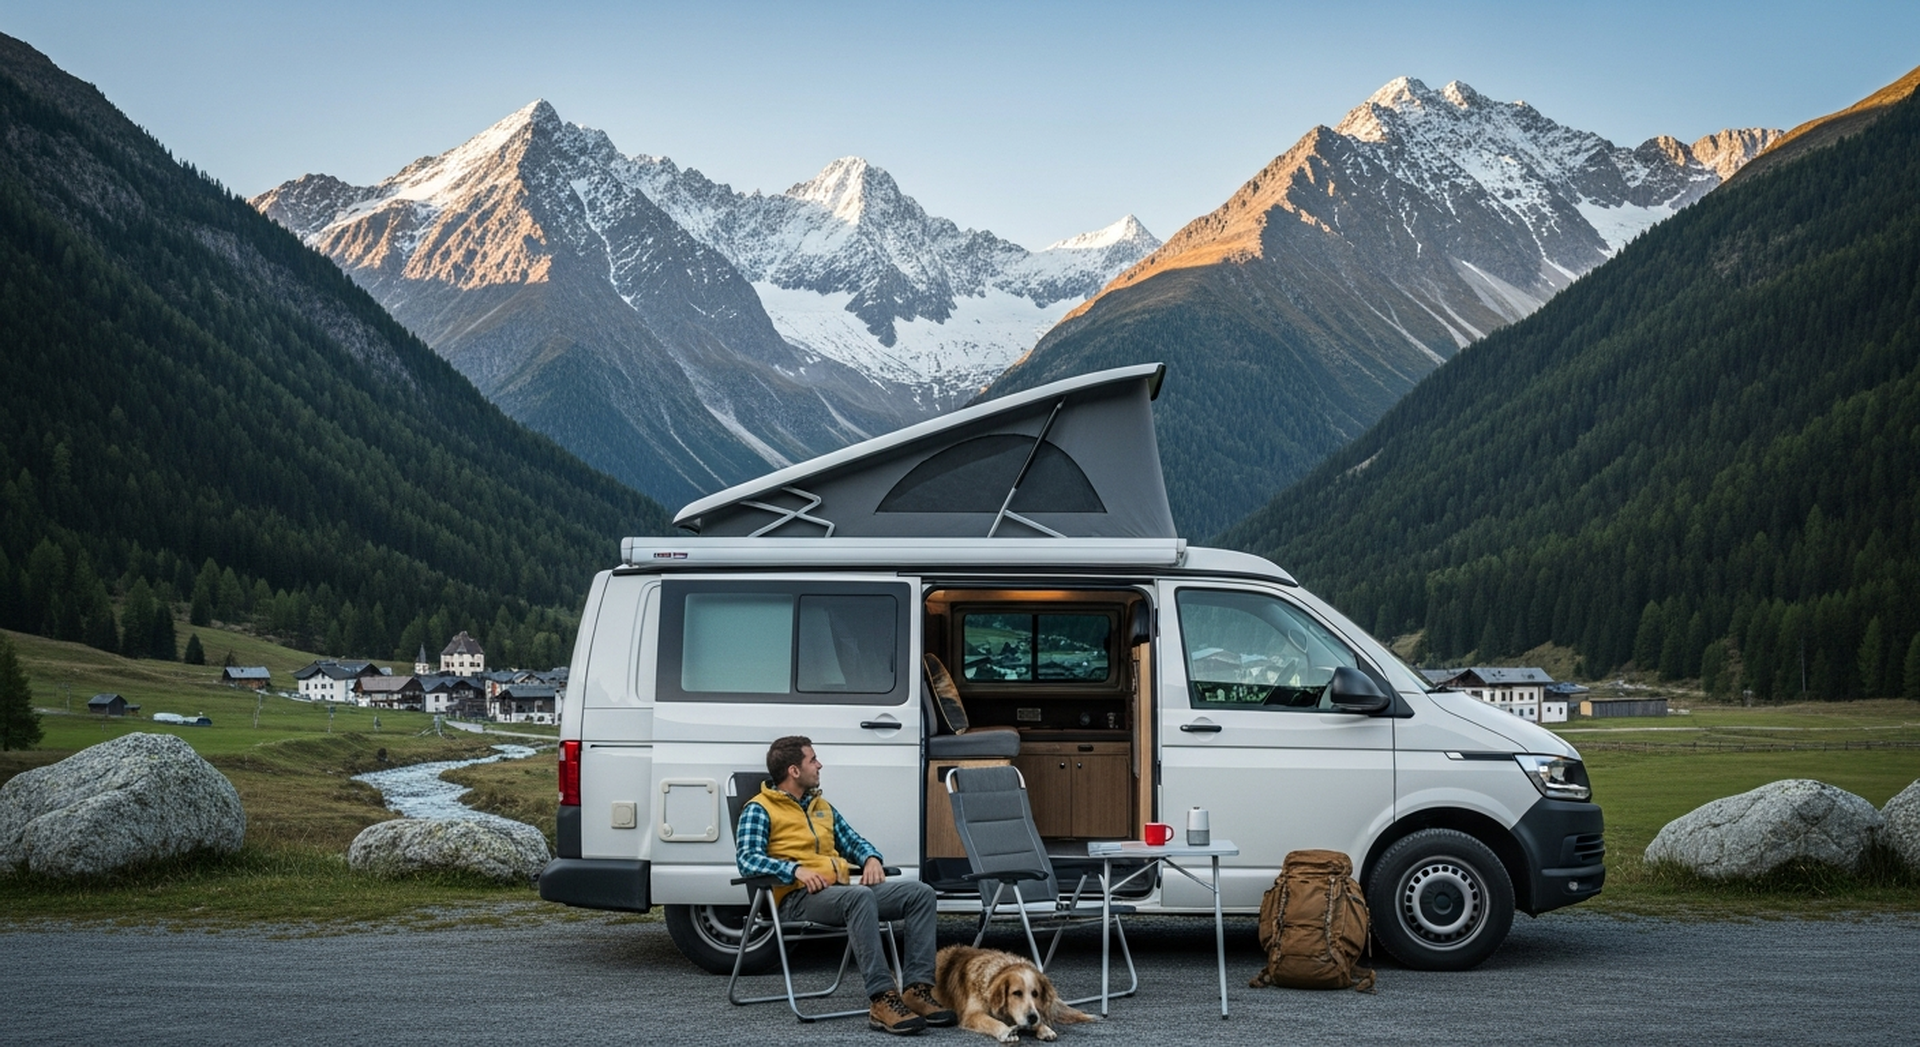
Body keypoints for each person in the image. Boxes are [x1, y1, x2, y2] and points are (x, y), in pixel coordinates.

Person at [736, 735, 956, 1035]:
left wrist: (871, 859)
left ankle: (916, 991)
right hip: (797, 899)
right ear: (794, 771)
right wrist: (794, 870)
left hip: (841, 893)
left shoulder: (820, 806)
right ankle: (882, 1000)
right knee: (860, 897)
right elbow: (747, 859)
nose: (819, 764)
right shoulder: (758, 809)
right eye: (812, 759)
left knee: (920, 893)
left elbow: (853, 841)